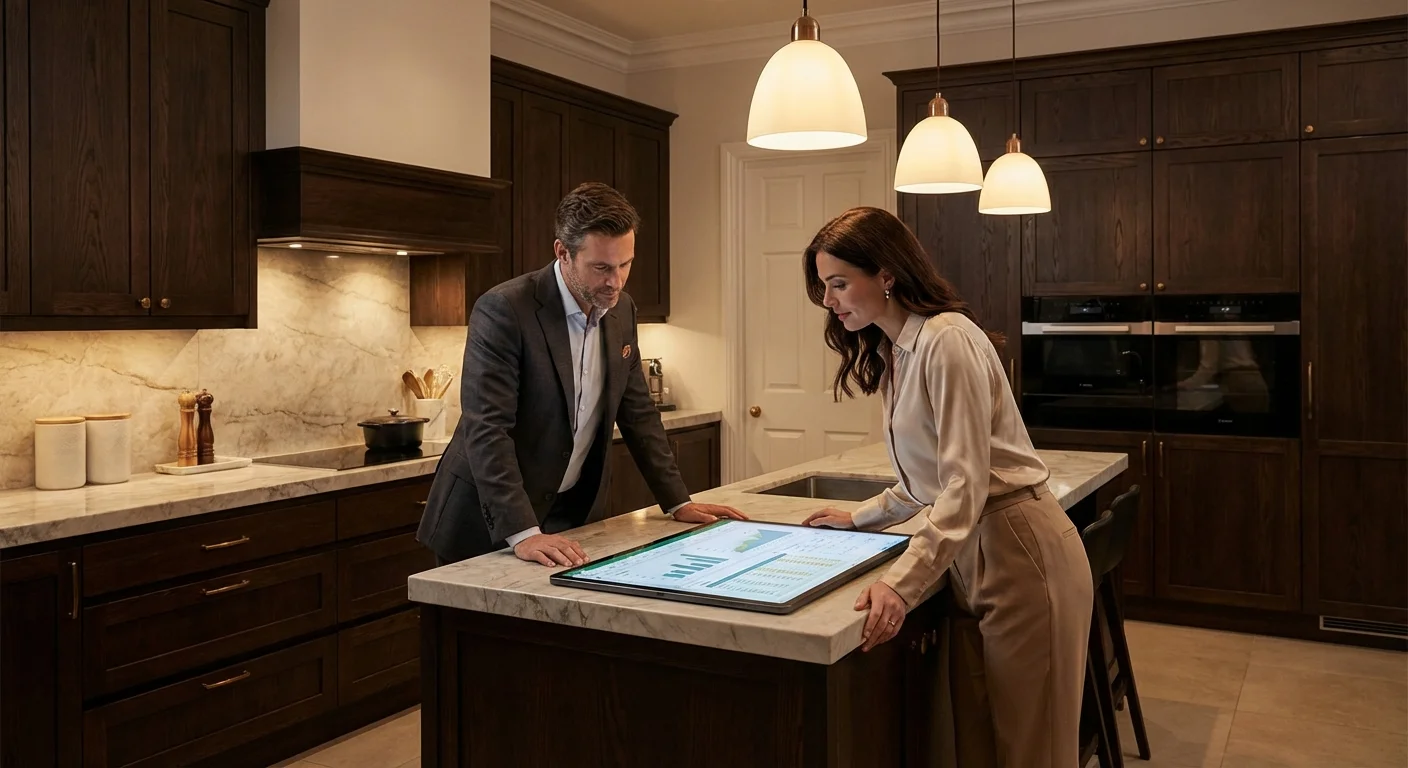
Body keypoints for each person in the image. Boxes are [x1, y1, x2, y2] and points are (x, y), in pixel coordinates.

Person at [800, 207, 1092, 767]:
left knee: (1034, 750)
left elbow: (965, 482)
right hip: (972, 554)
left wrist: (902, 584)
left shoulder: (946, 340)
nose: (829, 301)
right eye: (823, 286)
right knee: (979, 744)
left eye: (839, 284)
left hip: (1019, 550)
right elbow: (927, 482)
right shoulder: (897, 353)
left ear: (885, 273)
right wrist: (859, 519)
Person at [417, 182, 745, 567]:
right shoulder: (505, 310)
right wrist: (523, 533)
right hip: (488, 527)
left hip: (570, 517)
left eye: (625, 264)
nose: (616, 281)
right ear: (563, 252)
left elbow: (639, 414)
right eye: (601, 267)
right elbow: (488, 429)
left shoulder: (623, 310)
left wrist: (678, 502)